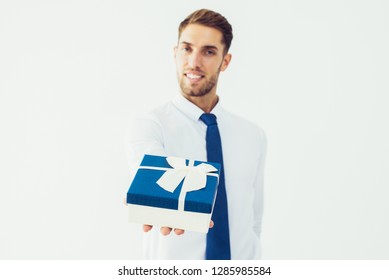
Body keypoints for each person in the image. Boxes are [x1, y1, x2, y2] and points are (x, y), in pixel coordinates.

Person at [126, 9, 267, 260]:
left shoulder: (252, 135)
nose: (194, 62)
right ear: (175, 53)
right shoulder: (151, 125)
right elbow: (152, 185)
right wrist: (160, 202)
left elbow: (252, 222)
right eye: (187, 49)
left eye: (209, 51)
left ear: (225, 61)